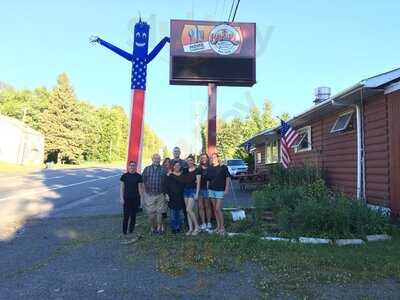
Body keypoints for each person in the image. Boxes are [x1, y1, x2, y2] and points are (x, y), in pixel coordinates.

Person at [119, 160, 144, 242]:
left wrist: (141, 199)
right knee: (126, 216)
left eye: (134, 165)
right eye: (131, 165)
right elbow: (122, 188)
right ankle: (124, 231)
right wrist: (121, 198)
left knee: (133, 216)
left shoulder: (138, 176)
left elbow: (140, 189)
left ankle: (131, 230)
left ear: (135, 167)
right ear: (128, 166)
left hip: (135, 199)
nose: (132, 167)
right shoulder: (124, 176)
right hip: (126, 199)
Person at [142, 153, 166, 234]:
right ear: (152, 159)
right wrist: (144, 194)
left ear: (160, 160)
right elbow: (143, 182)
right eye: (155, 158)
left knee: (160, 213)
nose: (157, 160)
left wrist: (165, 194)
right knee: (151, 213)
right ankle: (152, 227)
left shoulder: (163, 169)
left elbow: (166, 183)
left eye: (158, 158)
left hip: (160, 194)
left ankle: (159, 227)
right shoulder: (147, 169)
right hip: (149, 195)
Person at [207, 153, 230, 235]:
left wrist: (226, 188)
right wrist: (207, 189)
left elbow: (227, 178)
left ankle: (222, 227)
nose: (213, 159)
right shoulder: (209, 168)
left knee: (218, 208)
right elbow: (208, 180)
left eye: (214, 157)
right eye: (212, 158)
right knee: (215, 209)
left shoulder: (223, 167)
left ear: (217, 158)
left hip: (220, 190)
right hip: (211, 190)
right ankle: (218, 226)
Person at [164, 161, 185, 233]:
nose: (177, 167)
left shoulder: (183, 175)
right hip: (172, 197)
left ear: (180, 167)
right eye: (176, 165)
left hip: (180, 197)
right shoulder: (169, 175)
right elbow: (166, 186)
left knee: (179, 213)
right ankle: (173, 227)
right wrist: (166, 194)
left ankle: (178, 226)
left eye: (178, 166)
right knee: (172, 214)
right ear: (173, 167)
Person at [182, 155, 201, 235]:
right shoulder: (185, 170)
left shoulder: (197, 170)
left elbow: (198, 183)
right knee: (188, 211)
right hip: (186, 191)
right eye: (188, 160)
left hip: (193, 191)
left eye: (190, 160)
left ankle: (197, 227)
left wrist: (197, 193)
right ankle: (190, 229)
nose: (189, 162)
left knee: (189, 209)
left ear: (193, 161)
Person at [198, 153, 212, 231]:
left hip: (207, 189)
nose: (203, 159)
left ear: (207, 158)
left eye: (205, 157)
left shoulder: (210, 167)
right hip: (200, 189)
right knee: (200, 207)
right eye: (202, 158)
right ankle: (203, 223)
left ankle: (209, 222)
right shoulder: (199, 168)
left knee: (207, 206)